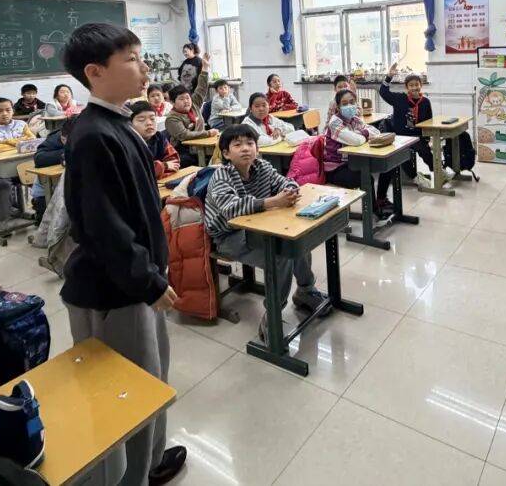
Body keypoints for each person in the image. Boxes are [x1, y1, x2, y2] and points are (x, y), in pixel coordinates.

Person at [60, 22, 186, 486]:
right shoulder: (95, 134)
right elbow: (104, 228)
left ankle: (150, 463)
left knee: (151, 381)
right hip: (117, 291)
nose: (144, 67)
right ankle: (135, 476)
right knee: (129, 394)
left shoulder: (118, 123)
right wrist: (148, 282)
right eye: (131, 59)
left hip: (138, 280)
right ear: (94, 72)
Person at [204, 125, 329, 342]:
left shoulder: (262, 166)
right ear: (226, 153)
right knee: (280, 258)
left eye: (250, 143)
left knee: (297, 242)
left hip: (259, 227)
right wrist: (273, 201)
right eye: (237, 145)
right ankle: (272, 315)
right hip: (229, 236)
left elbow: (285, 181)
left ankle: (305, 291)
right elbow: (232, 209)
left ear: (257, 148)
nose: (245, 149)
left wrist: (290, 189)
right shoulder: (221, 176)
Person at [323, 89, 394, 214]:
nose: (349, 106)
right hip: (336, 168)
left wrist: (359, 134)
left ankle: (380, 202)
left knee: (387, 166)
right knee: (366, 178)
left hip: (352, 162)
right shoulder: (334, 122)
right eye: (345, 103)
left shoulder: (354, 119)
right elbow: (356, 140)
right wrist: (362, 134)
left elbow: (376, 132)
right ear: (338, 107)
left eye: (352, 102)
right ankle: (374, 212)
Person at [379, 63, 450, 186]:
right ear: (406, 87)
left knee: (425, 150)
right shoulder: (400, 99)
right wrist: (389, 76)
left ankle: (439, 172)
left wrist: (427, 138)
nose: (414, 88)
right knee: (402, 154)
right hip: (401, 137)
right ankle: (415, 177)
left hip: (417, 135)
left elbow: (429, 122)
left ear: (420, 85)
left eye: (416, 85)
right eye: (411, 85)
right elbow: (383, 92)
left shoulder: (425, 102)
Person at [31, 117, 75, 222]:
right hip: (46, 196)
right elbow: (39, 159)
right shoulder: (56, 138)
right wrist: (66, 153)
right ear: (63, 139)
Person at [163, 85, 218, 167]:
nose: (186, 101)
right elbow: (184, 135)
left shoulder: (194, 106)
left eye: (187, 98)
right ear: (172, 102)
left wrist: (204, 74)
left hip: (201, 144)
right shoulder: (171, 118)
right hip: (184, 150)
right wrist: (208, 133)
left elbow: (202, 88)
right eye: (181, 99)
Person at [130, 102, 180, 178]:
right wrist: (164, 166)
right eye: (141, 120)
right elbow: (137, 172)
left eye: (152, 119)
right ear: (130, 124)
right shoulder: (128, 143)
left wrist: (157, 172)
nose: (149, 123)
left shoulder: (160, 138)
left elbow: (174, 162)